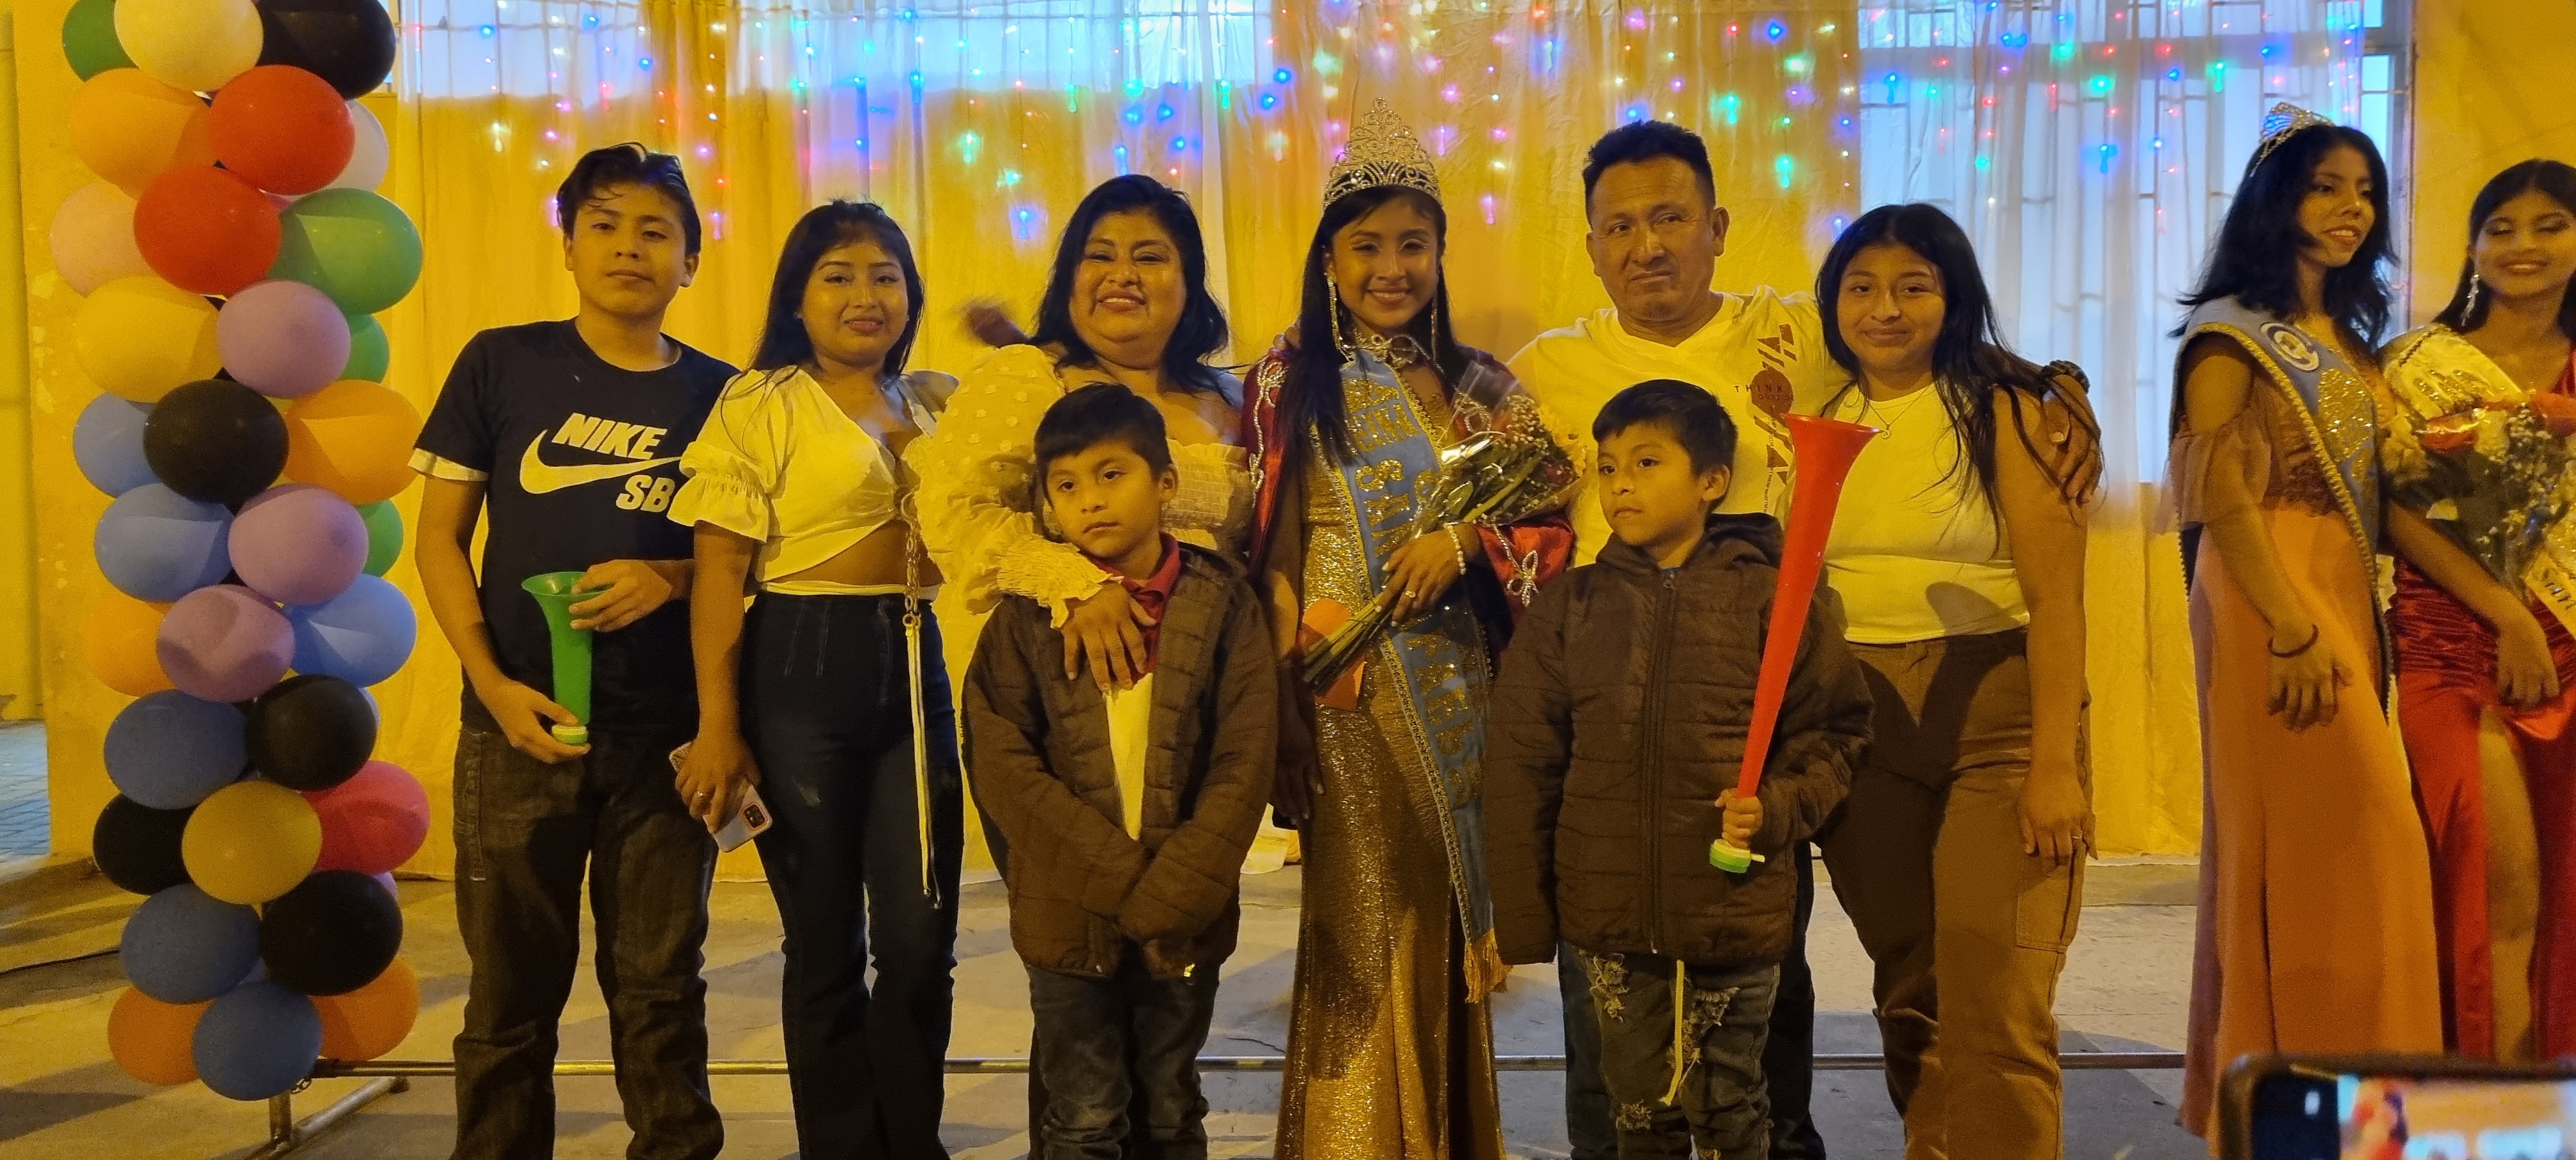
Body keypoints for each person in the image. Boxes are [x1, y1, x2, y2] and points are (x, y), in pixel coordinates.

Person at [1245, 100, 1579, 1159]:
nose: (1391, 267)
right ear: (1329, 259)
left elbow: (1552, 522)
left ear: (1439, 253)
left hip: (1459, 688)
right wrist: (1282, 708)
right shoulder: (1290, 378)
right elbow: (1273, 552)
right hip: (1342, 694)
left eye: (1412, 244)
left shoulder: (1482, 387)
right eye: (1367, 245)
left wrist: (1470, 543)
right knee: (1360, 924)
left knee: (1440, 929)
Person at [1505, 118, 1844, 1160]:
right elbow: (1469, 487)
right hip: (1608, 739)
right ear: (1592, 245)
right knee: (1609, 1042)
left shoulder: (1795, 334)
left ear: (1717, 227)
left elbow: (1920, 338)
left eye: (1669, 219)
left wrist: (2042, 382)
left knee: (1761, 1012)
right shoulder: (1546, 370)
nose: (1645, 246)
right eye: (1619, 227)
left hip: (1739, 723)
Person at [410, 144, 731, 1160]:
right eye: (605, 224)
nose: (629, 247)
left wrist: (669, 576)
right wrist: (491, 685)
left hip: (667, 743)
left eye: (655, 231)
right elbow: (438, 540)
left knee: (661, 991)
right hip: (516, 732)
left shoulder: (726, 397)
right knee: (509, 1000)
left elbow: (753, 564)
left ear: (690, 261)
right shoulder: (501, 362)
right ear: (568, 245)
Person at [1485, 381, 1872, 1160]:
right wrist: (1524, 916)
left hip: (1732, 910)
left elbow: (1837, 731)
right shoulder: (1572, 607)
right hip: (1605, 915)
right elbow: (1522, 761)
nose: (1620, 484)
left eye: (1647, 462)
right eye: (1607, 467)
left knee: (1733, 1109)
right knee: (1634, 1114)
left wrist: (1777, 806)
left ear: (1712, 480)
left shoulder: (1772, 601)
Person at [666, 201, 960, 1157]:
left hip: (916, 661)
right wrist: (719, 726)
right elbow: (719, 573)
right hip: (799, 661)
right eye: (837, 275)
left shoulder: (939, 402)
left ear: (910, 295)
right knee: (824, 940)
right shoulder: (761, 402)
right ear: (797, 298)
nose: (864, 295)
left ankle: (910, 1141)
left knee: (920, 935)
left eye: (885, 275)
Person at [2171, 105, 2442, 1137]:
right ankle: (2308, 1106)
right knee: (2345, 840)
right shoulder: (2231, 333)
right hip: (2270, 598)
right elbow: (2222, 500)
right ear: (2276, 201)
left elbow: (2379, 500)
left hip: (2338, 588)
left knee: (2350, 851)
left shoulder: (2349, 340)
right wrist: (2287, 626)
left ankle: (2353, 1102)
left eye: (2364, 192)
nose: (2349, 208)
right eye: (2326, 187)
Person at [1809, 204, 2101, 1160]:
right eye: (1861, 287)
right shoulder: (1820, 413)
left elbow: (2058, 601)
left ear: (1954, 296)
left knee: (1998, 993)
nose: (1885, 308)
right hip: (1865, 723)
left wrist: (2054, 765)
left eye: (1913, 286)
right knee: (1910, 990)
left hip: (1999, 721)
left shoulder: (2007, 409)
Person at [964, 384, 1278, 1160]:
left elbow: (1243, 758)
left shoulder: (1223, 603)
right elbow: (1002, 764)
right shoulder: (1025, 617)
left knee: (1171, 1107)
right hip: (1067, 917)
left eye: (1112, 475)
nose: (1091, 501)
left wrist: (1175, 889)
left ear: (1165, 482)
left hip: (1187, 911)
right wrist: (1125, 883)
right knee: (1085, 1115)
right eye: (1067, 485)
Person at [2379, 160, 2576, 1062]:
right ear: (2472, 246)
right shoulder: (2420, 365)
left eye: (2550, 225)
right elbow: (2398, 513)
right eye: (2501, 228)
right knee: (2502, 889)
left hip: (2570, 640)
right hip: (2459, 644)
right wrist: (2511, 617)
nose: (2523, 245)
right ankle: (2493, 1100)